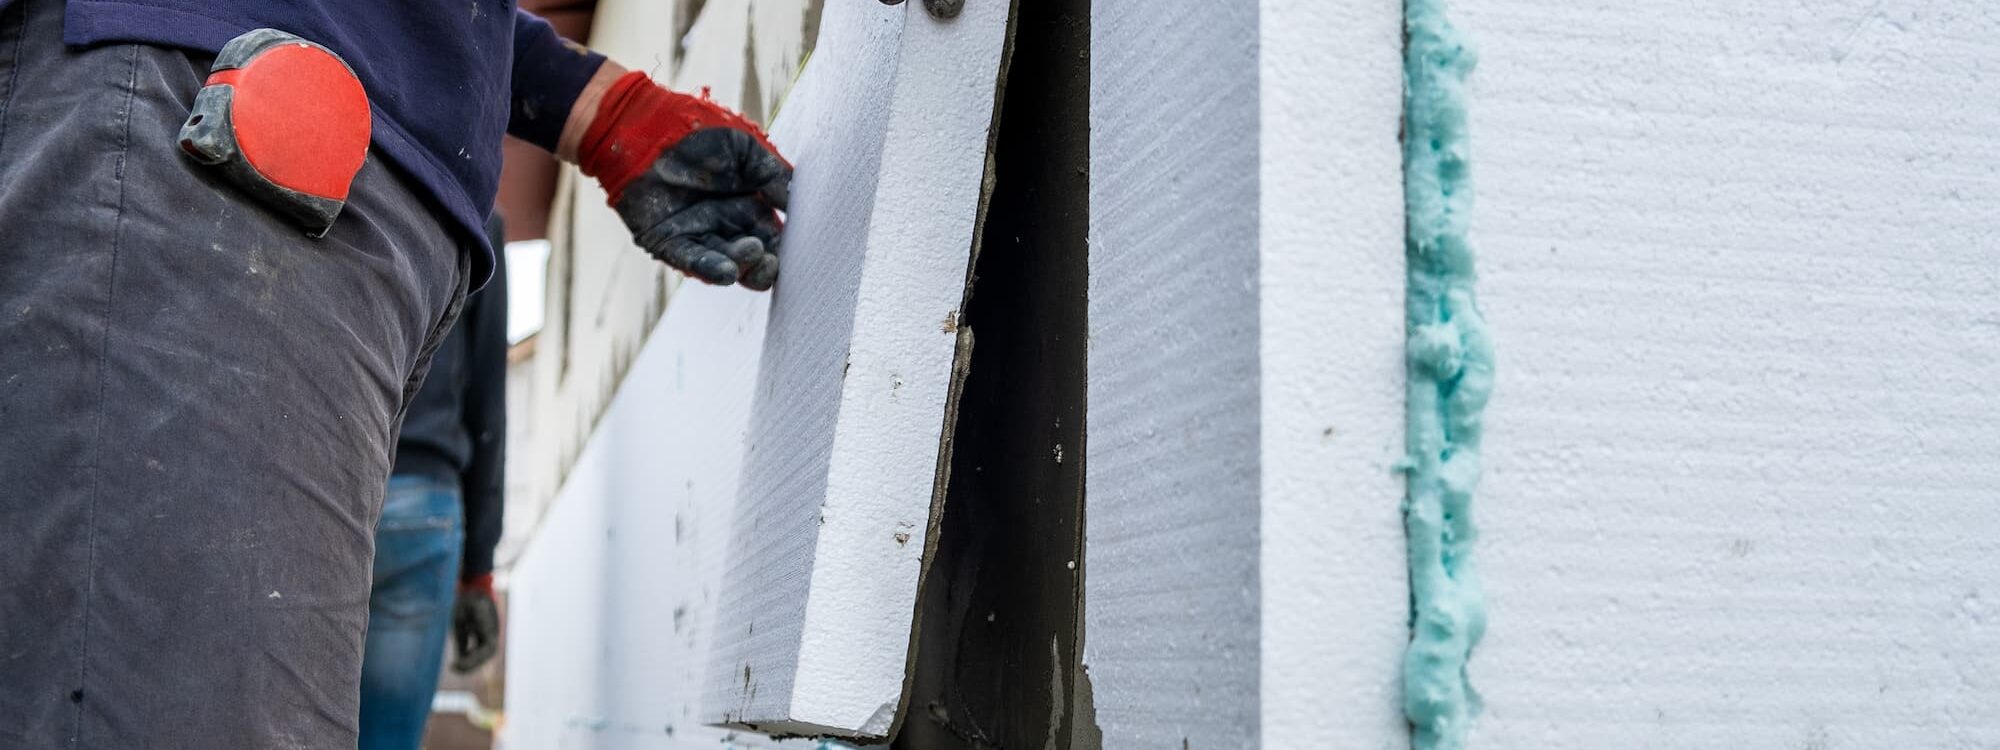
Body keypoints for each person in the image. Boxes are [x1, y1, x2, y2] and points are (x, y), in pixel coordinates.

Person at [0, 0, 791, 747]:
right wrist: (479, 564)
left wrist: (596, 106)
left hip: (358, 215)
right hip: (217, 129)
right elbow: (491, 405)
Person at [356, 214, 510, 750]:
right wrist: (480, 571)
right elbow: (487, 399)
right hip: (421, 502)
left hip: (320, 479)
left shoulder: (330, 156)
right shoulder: (475, 208)